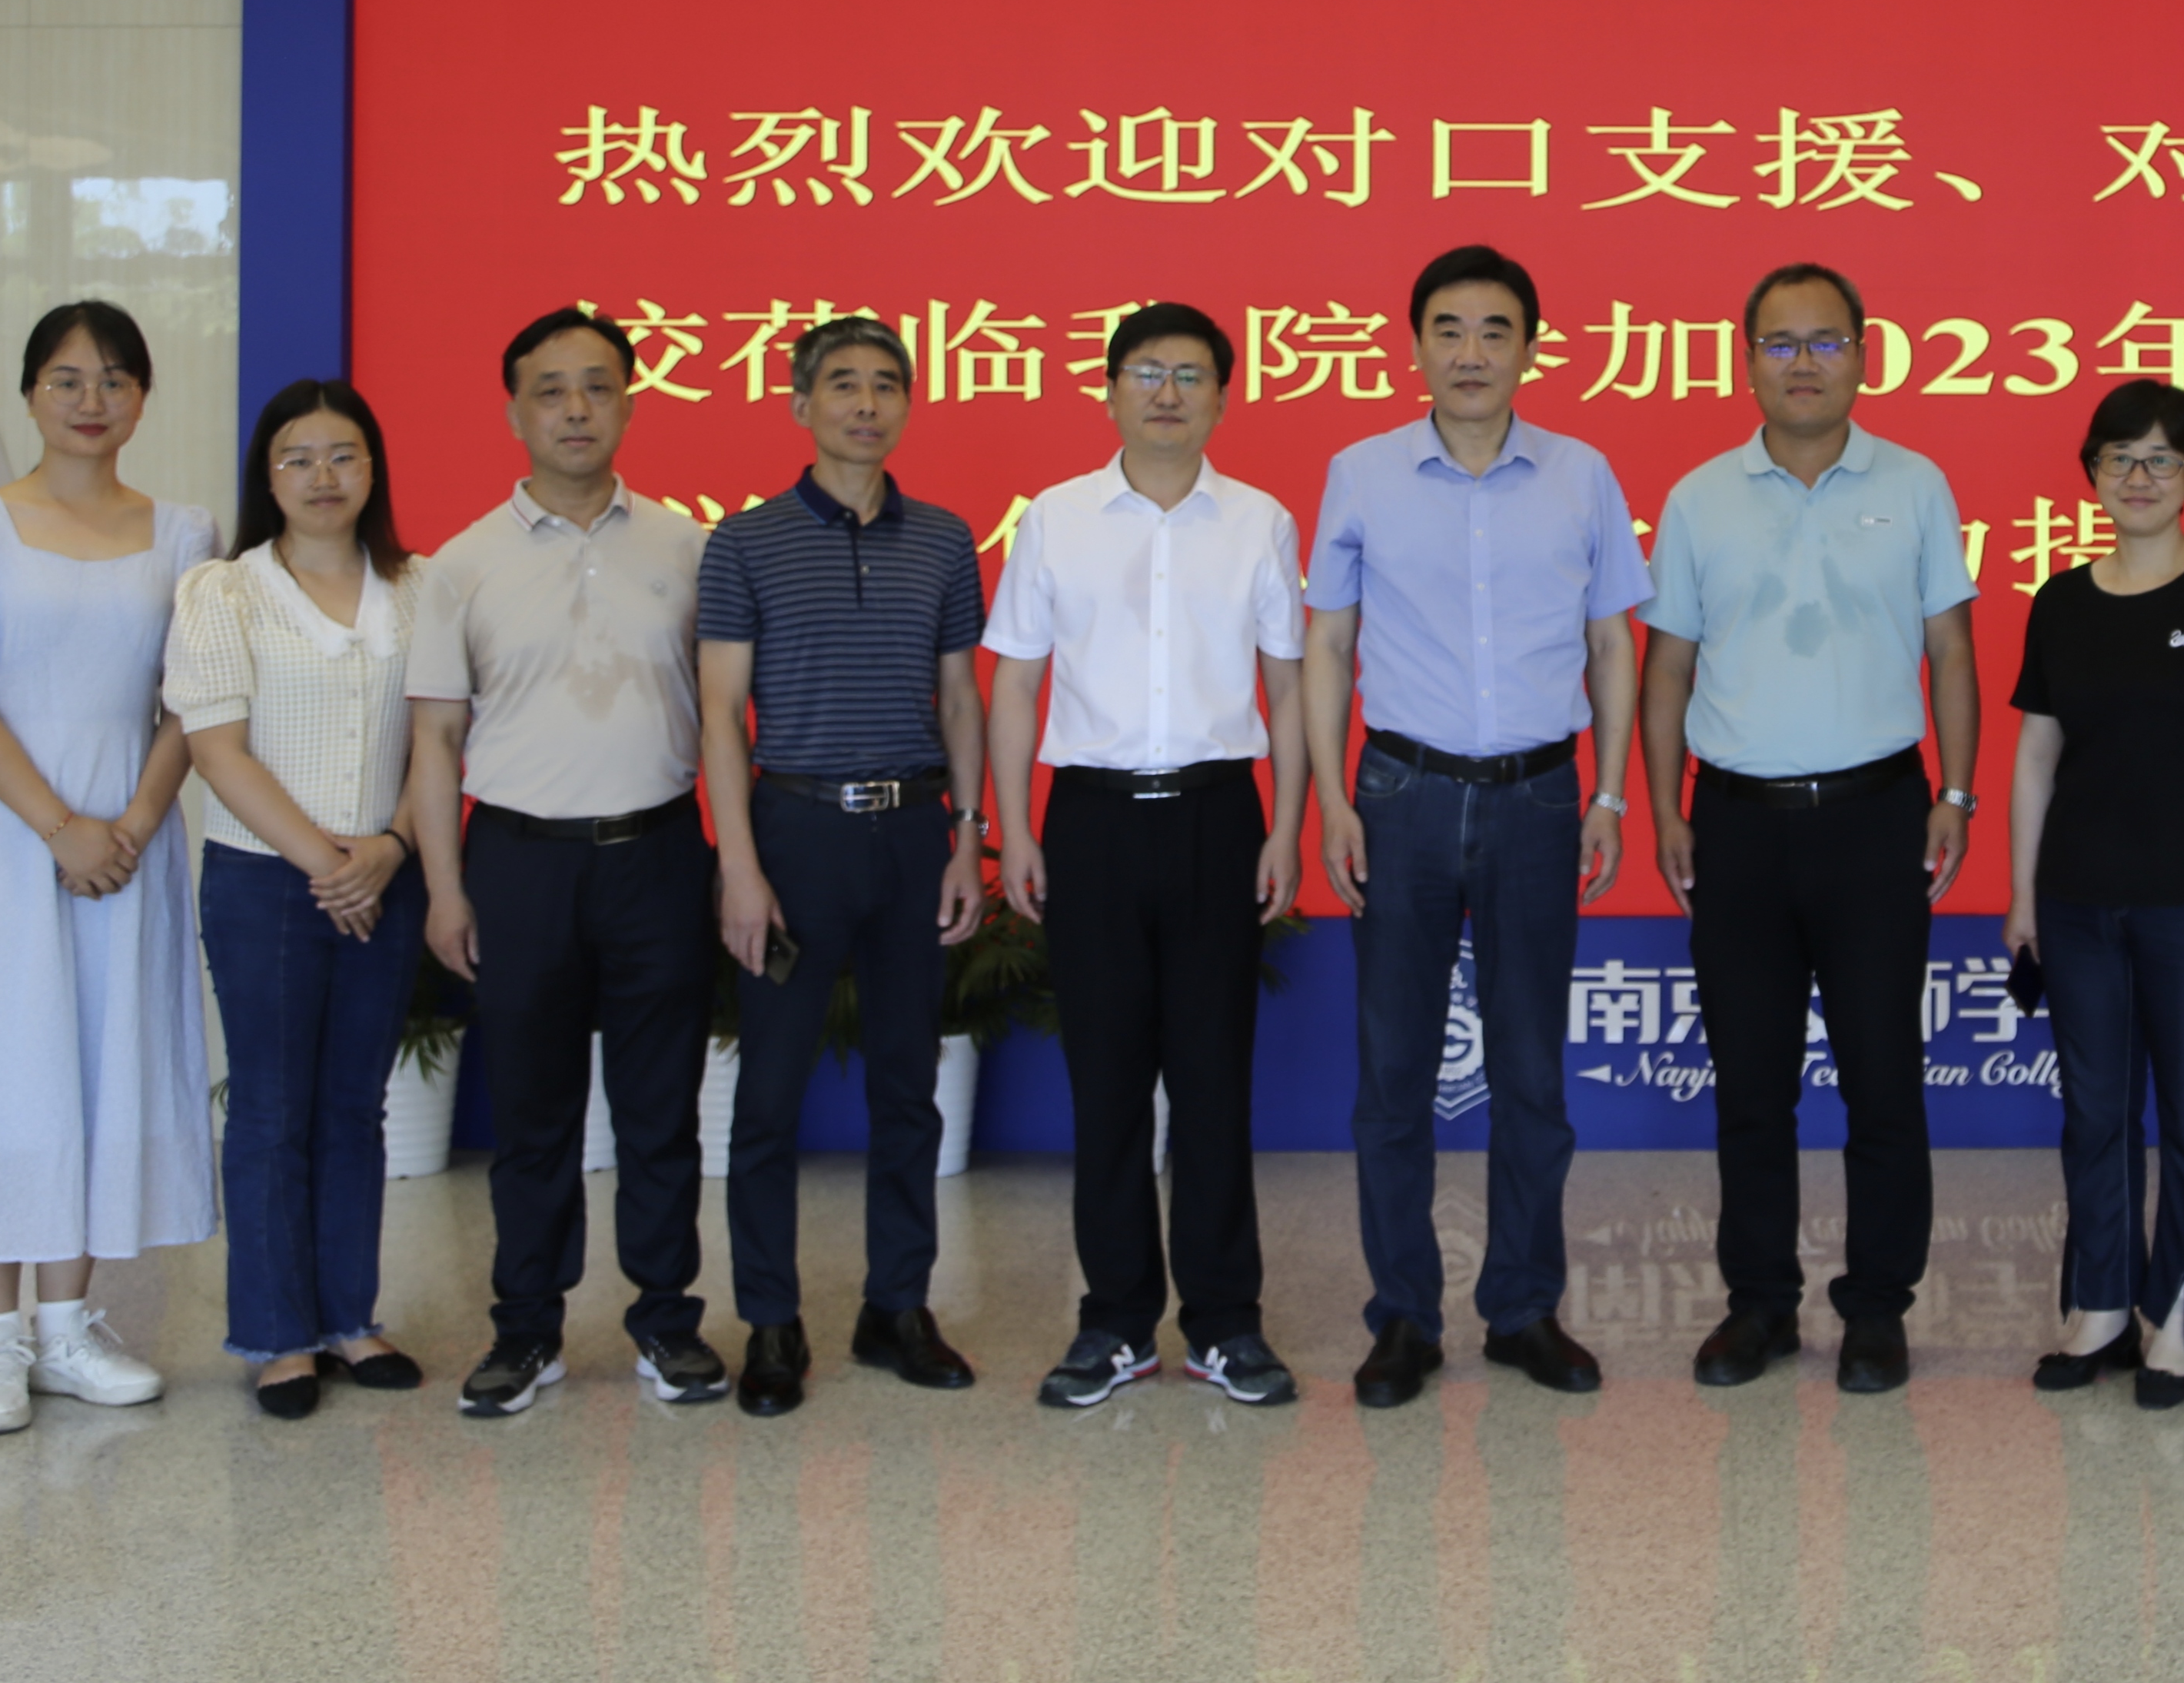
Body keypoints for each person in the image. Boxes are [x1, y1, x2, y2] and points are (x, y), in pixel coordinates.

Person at [1304, 247, 1645, 1408]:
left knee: (1532, 1071)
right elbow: (1329, 645)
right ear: (1414, 346)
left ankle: (1523, 1309)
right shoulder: (1361, 473)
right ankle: (1403, 1316)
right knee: (1394, 1073)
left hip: (1541, 798)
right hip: (1400, 794)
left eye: (1495, 330)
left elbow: (1612, 643)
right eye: (1447, 329)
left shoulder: (1582, 475)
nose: (1470, 352)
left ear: (1530, 349)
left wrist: (1608, 794)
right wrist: (1334, 799)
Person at [1640, 261, 1983, 1396]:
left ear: (1862, 356)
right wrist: (1665, 809)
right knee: (1752, 1086)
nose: (1803, 363)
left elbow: (1950, 650)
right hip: (1737, 825)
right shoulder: (1699, 498)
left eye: (1825, 342)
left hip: (1880, 817)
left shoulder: (1916, 485)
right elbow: (1668, 666)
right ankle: (1760, 1305)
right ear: (1748, 360)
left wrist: (1957, 794)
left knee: (1884, 1079)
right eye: (1780, 343)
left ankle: (1878, 1307)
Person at [0, 301, 217, 1436]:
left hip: (129, 839)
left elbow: (189, 700)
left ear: (143, 397)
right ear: (31, 392)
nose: (90, 401)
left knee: (98, 1064)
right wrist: (59, 825)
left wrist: (132, 824)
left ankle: (68, 1329)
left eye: (115, 380)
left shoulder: (184, 534)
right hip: (1, 838)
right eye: (66, 379)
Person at [986, 302, 1312, 1410]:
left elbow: (1286, 687)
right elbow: (1017, 682)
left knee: (1215, 1082)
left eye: (1189, 375)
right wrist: (1017, 828)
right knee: (1109, 1081)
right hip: (1093, 821)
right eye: (1145, 373)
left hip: (1221, 817)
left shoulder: (1260, 521)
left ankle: (1225, 1324)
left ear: (1223, 395)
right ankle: (1116, 1323)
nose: (1167, 393)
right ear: (1111, 390)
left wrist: (1286, 825)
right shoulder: (1055, 520)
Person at [408, 305, 730, 1419]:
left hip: (657, 853)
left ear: (631, 403)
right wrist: (444, 888)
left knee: (660, 1111)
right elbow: (435, 741)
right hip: (518, 862)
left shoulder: (688, 548)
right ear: (515, 413)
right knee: (532, 1116)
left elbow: (725, 720)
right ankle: (526, 1331)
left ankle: (667, 1322)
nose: (576, 409)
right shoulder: (460, 565)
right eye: (551, 391)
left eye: (598, 386)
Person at [696, 316, 990, 1416]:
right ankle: (771, 1321)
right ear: (800, 404)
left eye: (887, 386)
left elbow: (958, 697)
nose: (868, 405)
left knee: (908, 1086)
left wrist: (968, 835)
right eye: (844, 385)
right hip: (795, 835)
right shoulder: (745, 543)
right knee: (768, 1093)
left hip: (913, 835)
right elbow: (722, 714)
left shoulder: (946, 539)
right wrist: (739, 866)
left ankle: (896, 1306)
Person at [2011, 381, 2184, 1409]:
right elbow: (2036, 758)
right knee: (2093, 1112)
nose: (2138, 477)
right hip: (2076, 904)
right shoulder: (2060, 602)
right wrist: (2023, 898)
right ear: (2090, 472)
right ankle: (2097, 1305)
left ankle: (2179, 1318)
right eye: (2118, 458)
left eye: (2161, 459)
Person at [165, 377, 430, 1419]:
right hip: (264, 883)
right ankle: (279, 1336)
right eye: (298, 458)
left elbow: (440, 739)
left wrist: (391, 847)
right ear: (266, 477)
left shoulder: (420, 587)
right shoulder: (223, 592)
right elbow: (216, 751)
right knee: (273, 1108)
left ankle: (350, 1320)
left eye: (344, 455)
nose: (324, 476)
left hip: (386, 874)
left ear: (374, 469)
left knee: (355, 1106)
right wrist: (329, 864)